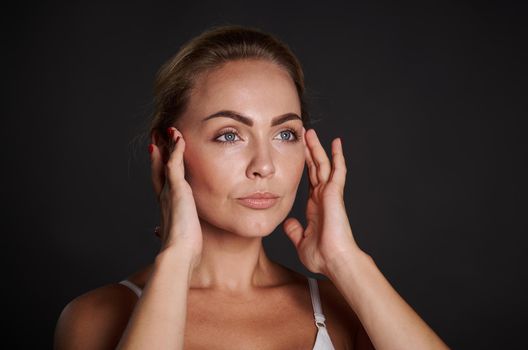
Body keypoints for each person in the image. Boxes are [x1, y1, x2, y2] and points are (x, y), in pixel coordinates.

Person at [53, 25, 450, 350]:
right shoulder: (99, 316)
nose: (264, 165)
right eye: (229, 135)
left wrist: (345, 259)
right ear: (168, 150)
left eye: (285, 134)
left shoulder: (343, 309)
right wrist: (176, 260)